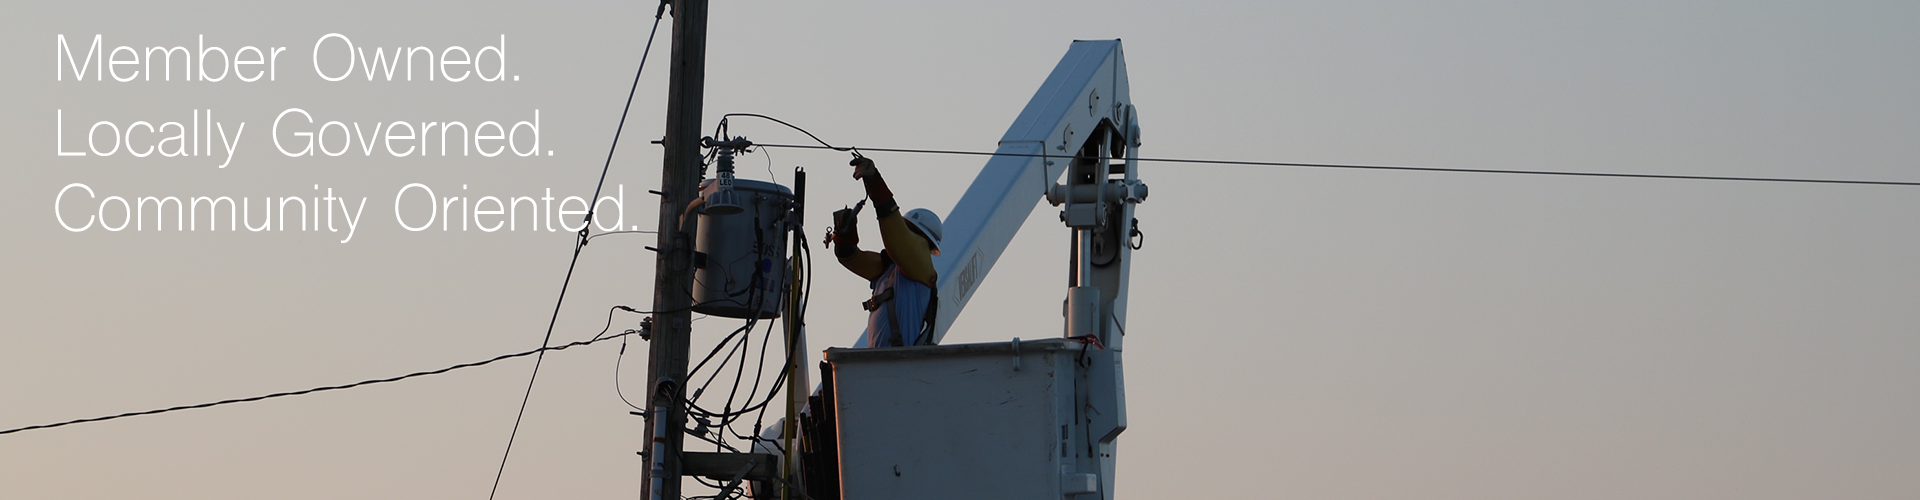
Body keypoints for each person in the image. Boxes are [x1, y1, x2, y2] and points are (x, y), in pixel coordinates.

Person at [825, 157, 944, 348]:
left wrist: (874, 182)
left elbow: (896, 237)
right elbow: (852, 258)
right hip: (881, 366)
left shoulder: (922, 268)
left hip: (899, 366)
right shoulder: (890, 271)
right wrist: (844, 238)